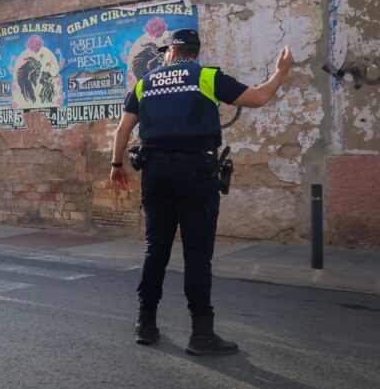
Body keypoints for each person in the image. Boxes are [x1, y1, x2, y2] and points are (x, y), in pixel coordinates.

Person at [110, 29, 293, 355]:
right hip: (196, 173)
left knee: (155, 248)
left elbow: (124, 129)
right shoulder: (207, 76)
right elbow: (258, 98)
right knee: (196, 253)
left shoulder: (145, 82)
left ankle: (145, 324)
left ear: (171, 52)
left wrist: (115, 166)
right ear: (195, 53)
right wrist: (281, 71)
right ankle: (201, 335)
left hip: (156, 173)